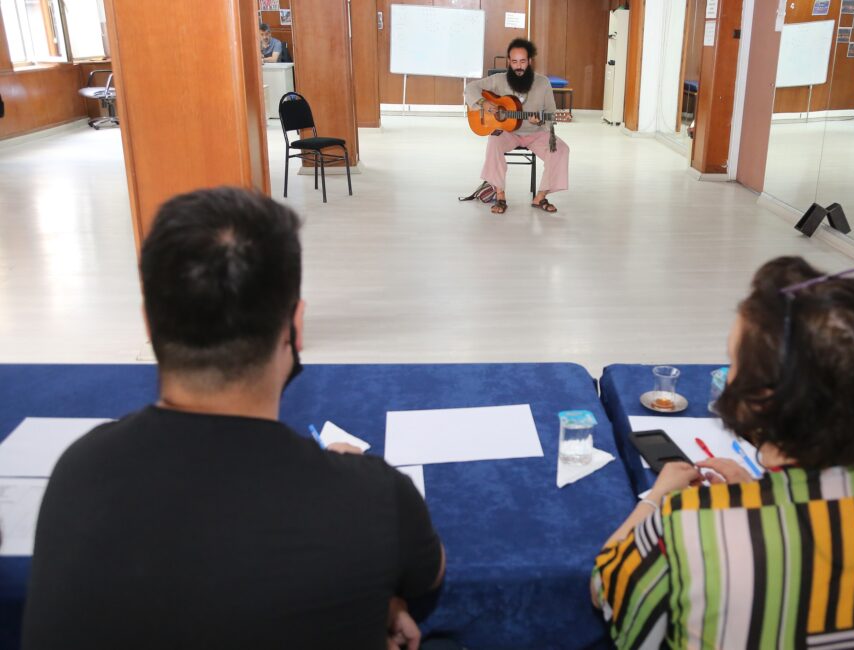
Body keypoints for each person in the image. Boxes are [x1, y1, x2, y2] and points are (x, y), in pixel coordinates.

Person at [22, 187, 445, 650]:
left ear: (148, 322)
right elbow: (428, 576)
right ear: (296, 326)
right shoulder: (371, 496)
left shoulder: (79, 467)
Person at [592, 256, 854, 649]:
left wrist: (655, 498)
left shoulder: (687, 523)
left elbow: (605, 590)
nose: (727, 378)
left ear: (764, 400)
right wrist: (756, 491)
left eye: (734, 363)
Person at [464, 38, 569, 214]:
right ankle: (500, 195)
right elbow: (470, 88)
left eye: (522, 61)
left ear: (530, 61)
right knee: (494, 142)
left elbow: (551, 112)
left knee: (561, 149)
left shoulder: (543, 83)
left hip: (536, 133)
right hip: (508, 132)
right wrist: (483, 103)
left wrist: (541, 120)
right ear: (508, 61)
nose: (518, 66)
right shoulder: (498, 80)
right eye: (514, 62)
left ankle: (540, 196)